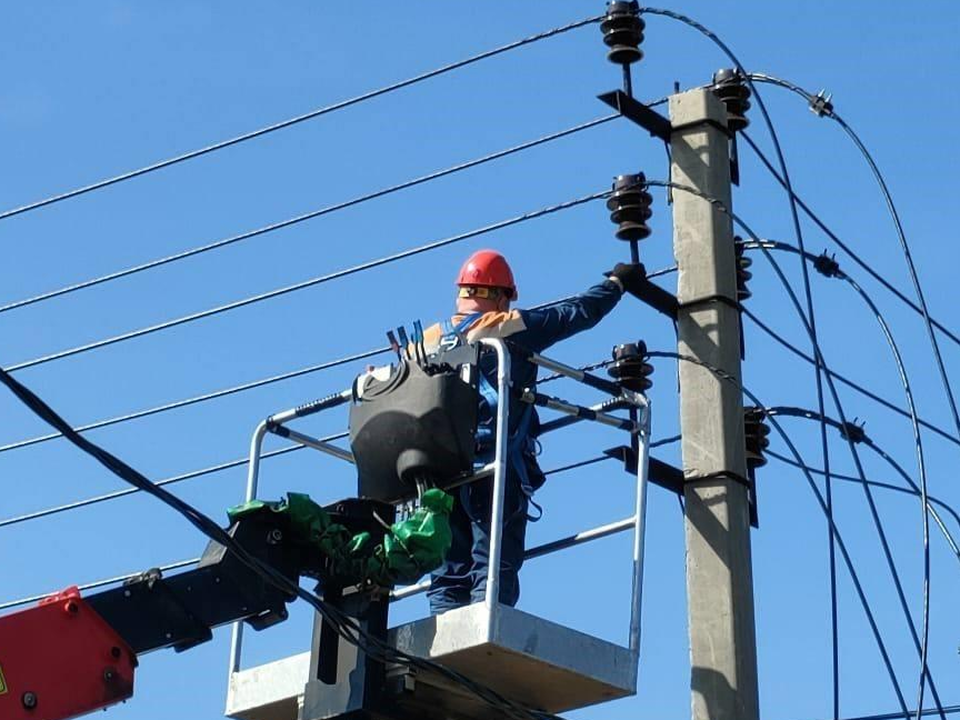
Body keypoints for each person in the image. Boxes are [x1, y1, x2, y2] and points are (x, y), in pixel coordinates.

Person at [421, 249, 645, 614]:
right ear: (499, 294)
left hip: (437, 475)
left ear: (462, 292)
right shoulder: (507, 326)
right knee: (492, 563)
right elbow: (576, 313)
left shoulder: (427, 340)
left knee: (448, 570)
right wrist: (617, 284)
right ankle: (485, 645)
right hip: (491, 469)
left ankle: (440, 661)